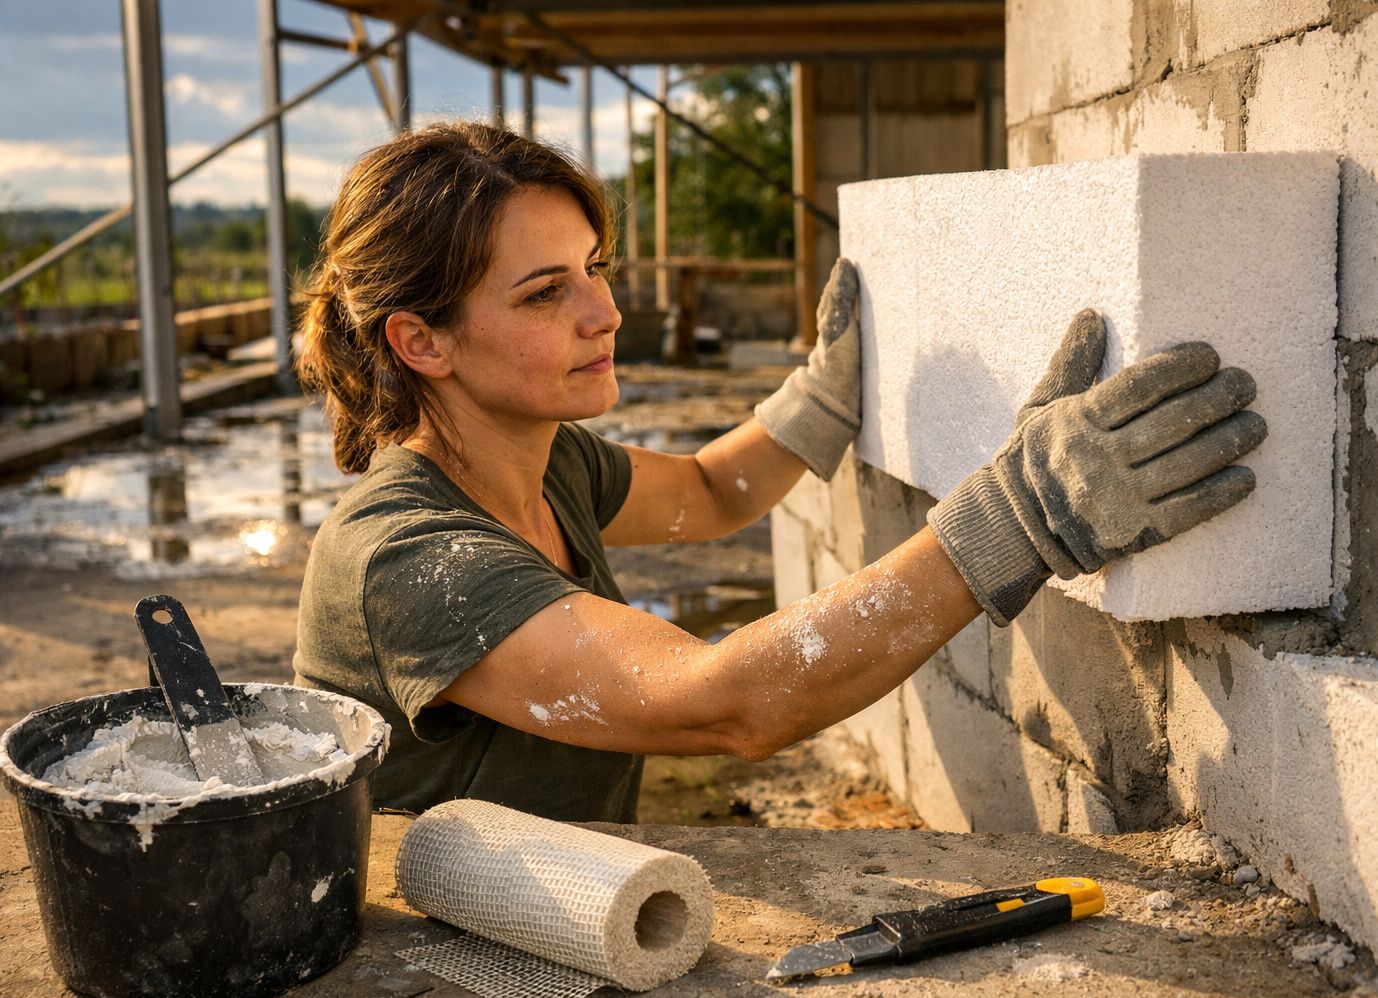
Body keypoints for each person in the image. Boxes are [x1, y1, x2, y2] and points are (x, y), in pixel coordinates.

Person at [293, 121, 1266, 822]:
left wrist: (820, 398)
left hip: (560, 906)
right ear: (421, 340)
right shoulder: (410, 557)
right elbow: (728, 702)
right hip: (445, 969)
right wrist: (1016, 517)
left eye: (595, 268)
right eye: (547, 293)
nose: (605, 313)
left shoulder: (549, 467)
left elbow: (711, 496)